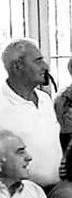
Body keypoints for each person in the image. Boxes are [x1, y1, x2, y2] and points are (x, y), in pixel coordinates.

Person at [0, 40, 63, 186]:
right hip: (19, 195)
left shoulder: (45, 99)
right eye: (38, 61)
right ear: (17, 66)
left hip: (56, 190)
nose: (45, 67)